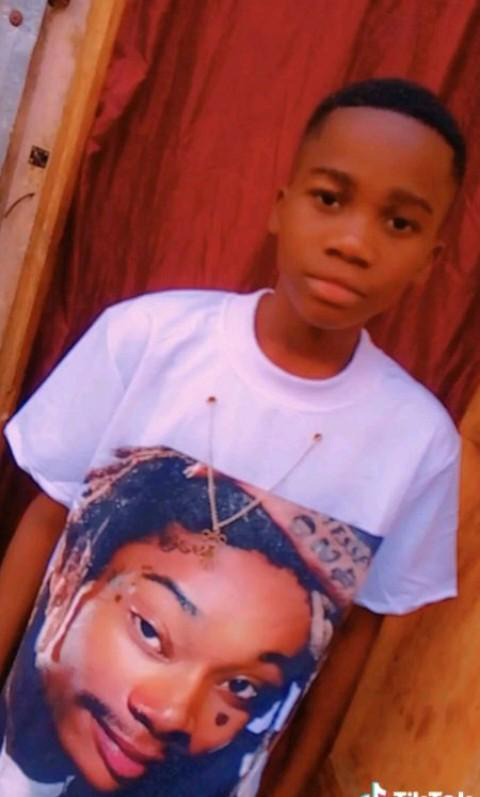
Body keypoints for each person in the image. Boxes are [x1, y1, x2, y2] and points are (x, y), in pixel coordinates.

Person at [0, 77, 465, 796]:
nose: (352, 242)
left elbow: (358, 636)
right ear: (280, 206)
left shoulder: (420, 445)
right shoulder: (145, 339)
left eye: (399, 223)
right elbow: (44, 519)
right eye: (330, 198)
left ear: (431, 260)